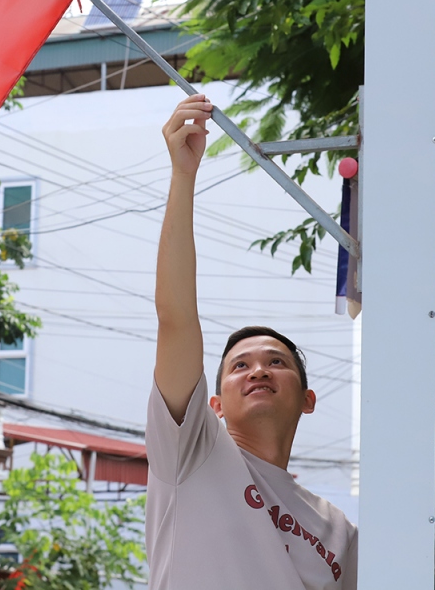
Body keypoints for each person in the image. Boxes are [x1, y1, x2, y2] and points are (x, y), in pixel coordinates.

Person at [145, 93, 358, 589]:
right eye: (239, 366)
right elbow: (175, 318)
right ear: (213, 404)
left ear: (307, 399)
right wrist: (183, 175)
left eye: (276, 362)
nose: (258, 369)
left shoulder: (340, 532)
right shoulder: (191, 451)